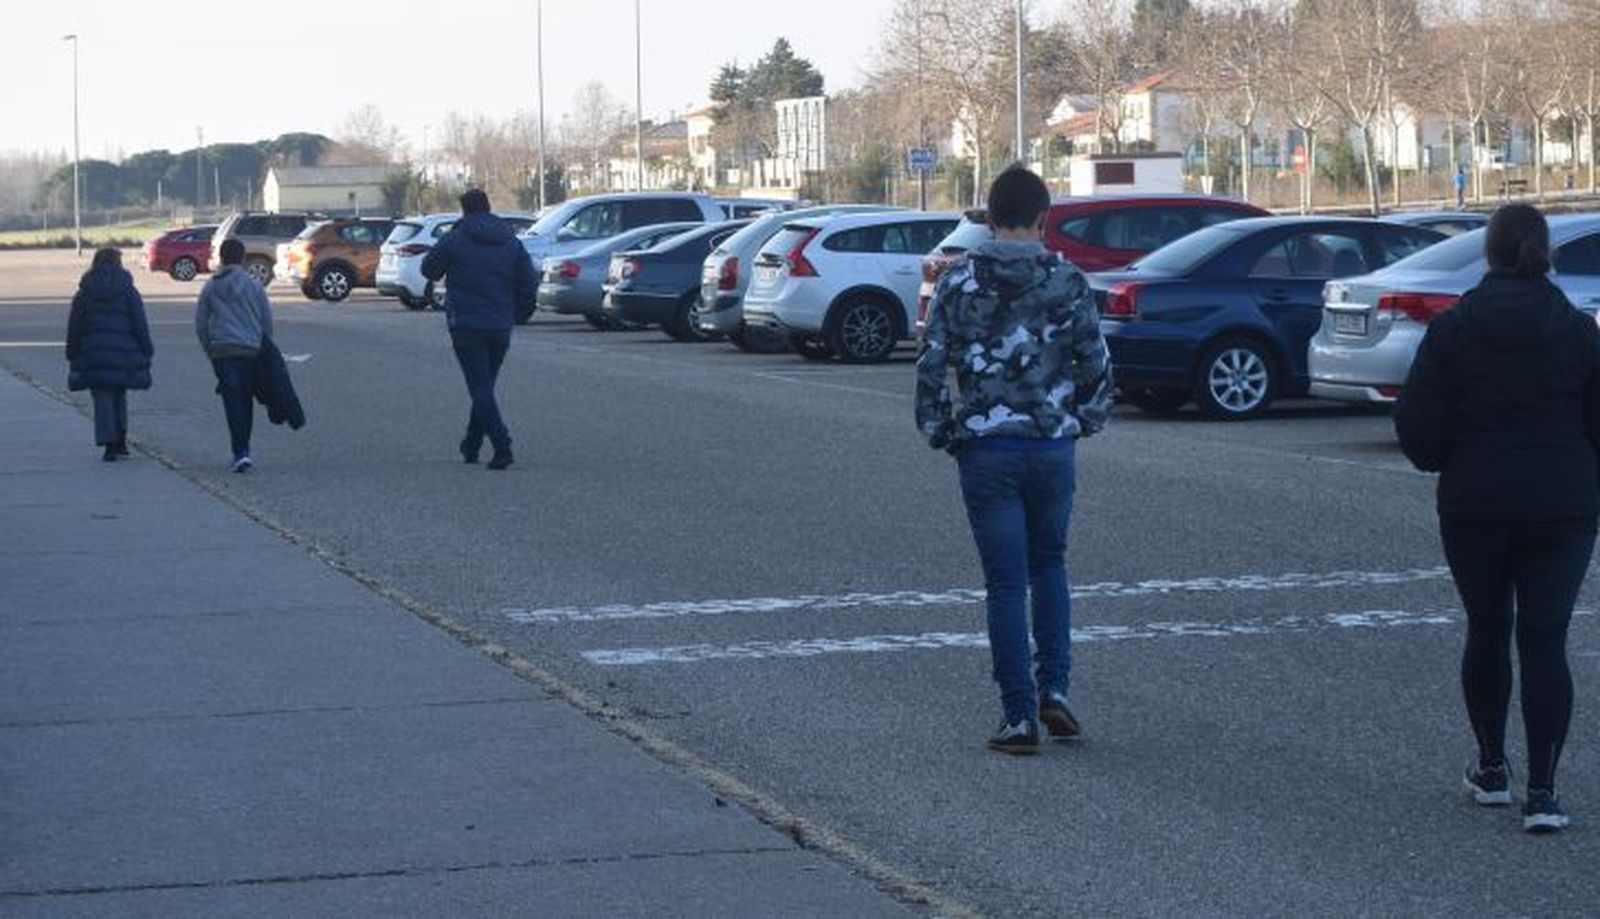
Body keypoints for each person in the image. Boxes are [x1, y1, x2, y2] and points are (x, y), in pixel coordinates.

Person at [1395, 203, 1600, 833]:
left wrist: (1446, 457)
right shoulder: (1578, 331)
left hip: (1476, 501)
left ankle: (1491, 768)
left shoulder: (1454, 329)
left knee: (1487, 628)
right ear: (1546, 253)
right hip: (1563, 505)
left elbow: (1419, 427)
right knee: (1546, 639)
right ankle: (1544, 792)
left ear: (1488, 252)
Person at [915, 166, 1113, 755]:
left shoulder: (958, 282)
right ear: (1042, 218)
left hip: (987, 447)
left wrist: (942, 430)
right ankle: (1056, 688)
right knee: (1049, 565)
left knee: (1005, 582)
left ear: (990, 217)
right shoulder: (1067, 280)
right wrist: (1083, 420)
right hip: (1051, 445)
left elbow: (931, 363)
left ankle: (1018, 716)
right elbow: (1095, 361)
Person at [421, 189, 535, 471]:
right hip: (500, 324)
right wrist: (518, 312)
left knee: (480, 387)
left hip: (467, 323)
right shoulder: (510, 240)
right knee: (485, 386)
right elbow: (528, 281)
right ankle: (471, 444)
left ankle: (502, 445)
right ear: (488, 207)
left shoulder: (455, 238)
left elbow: (429, 270)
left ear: (464, 210)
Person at [65, 247, 152, 461]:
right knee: (119, 394)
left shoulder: (84, 293)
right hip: (123, 351)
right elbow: (139, 323)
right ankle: (121, 440)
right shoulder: (128, 291)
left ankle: (109, 444)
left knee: (102, 397)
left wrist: (72, 351)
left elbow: (75, 326)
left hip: (93, 352)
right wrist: (146, 348)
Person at [195, 237, 273, 473]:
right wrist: (262, 345)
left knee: (232, 401)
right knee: (246, 399)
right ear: (242, 258)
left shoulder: (212, 286)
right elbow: (266, 322)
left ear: (221, 258)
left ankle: (239, 452)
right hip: (250, 349)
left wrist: (211, 350)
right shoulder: (255, 286)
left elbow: (201, 323)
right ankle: (243, 450)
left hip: (223, 350)